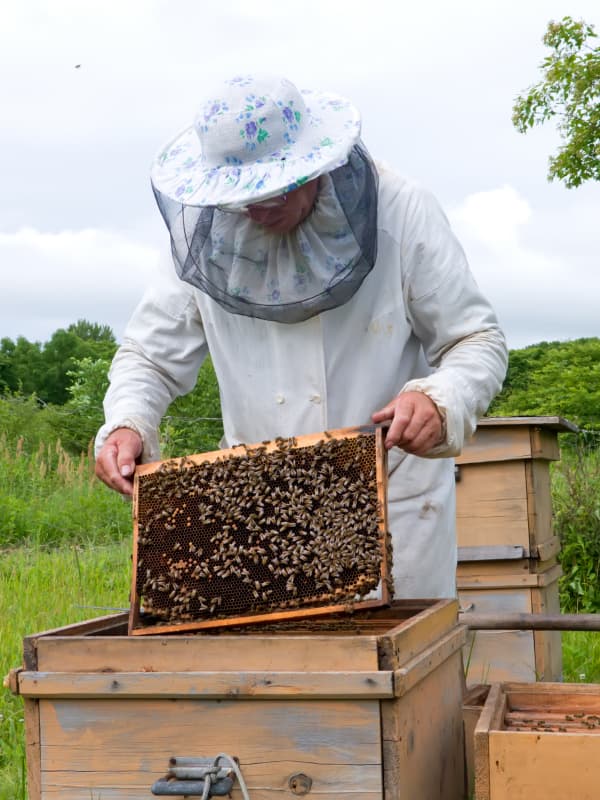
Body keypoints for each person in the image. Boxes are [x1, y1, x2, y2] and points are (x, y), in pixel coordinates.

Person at [95, 74, 508, 598]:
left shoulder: (402, 210)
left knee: (397, 672)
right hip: (257, 517)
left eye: (274, 187)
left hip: (394, 502)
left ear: (317, 160)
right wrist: (128, 421)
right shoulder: (204, 238)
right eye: (244, 195)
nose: (259, 207)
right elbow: (148, 356)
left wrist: (442, 399)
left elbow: (476, 340)